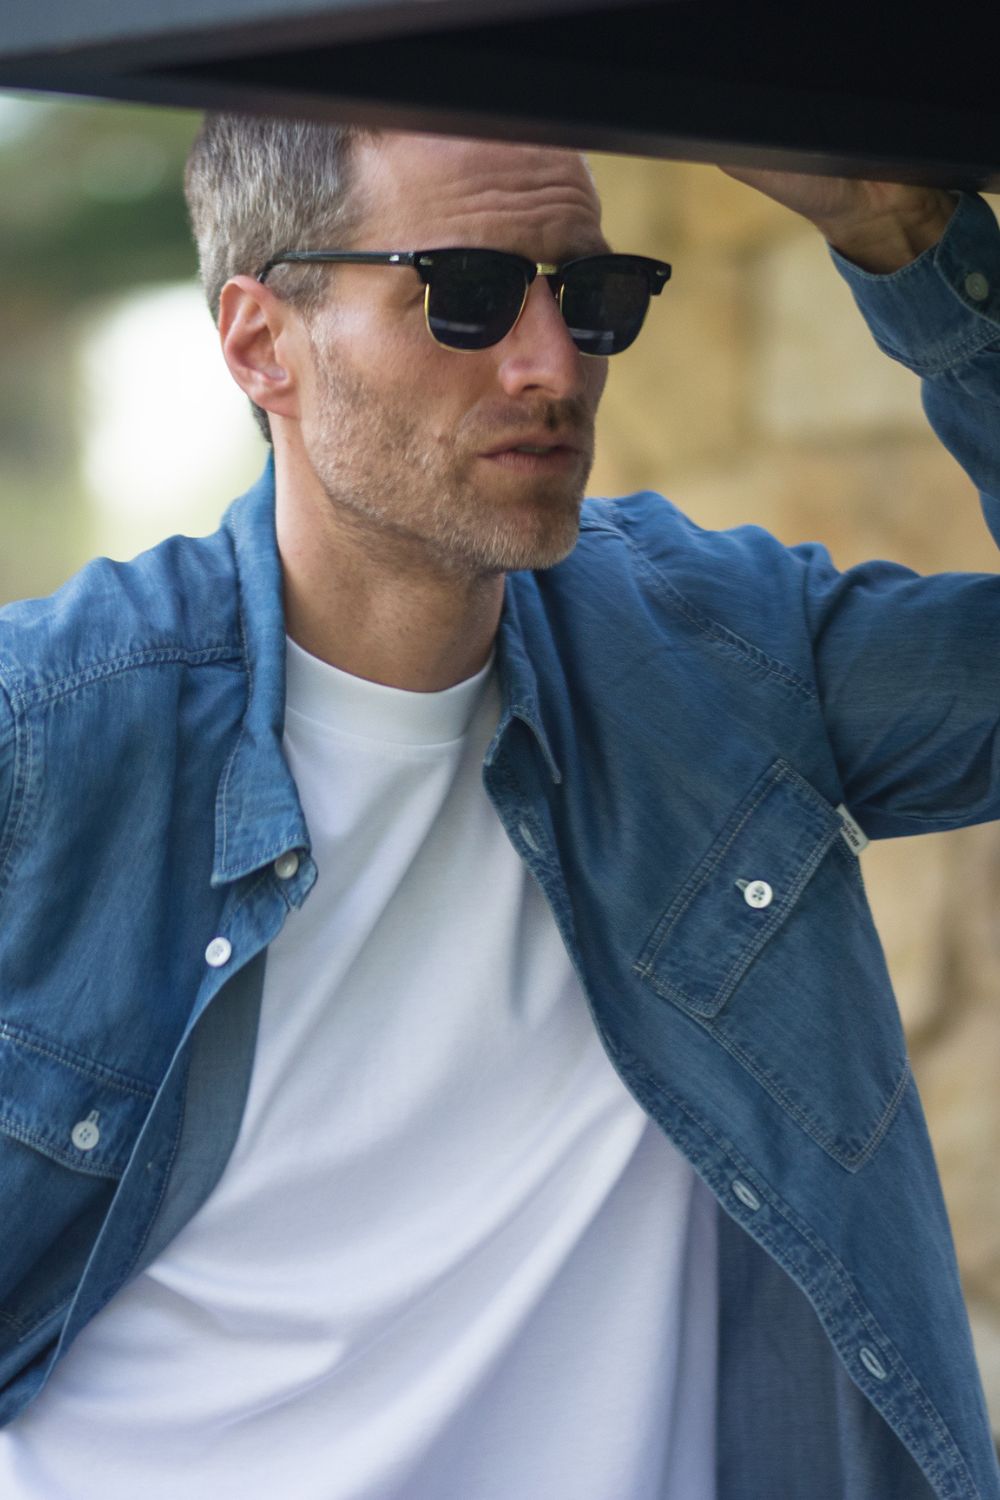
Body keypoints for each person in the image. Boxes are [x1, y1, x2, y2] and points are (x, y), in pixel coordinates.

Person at [0, 114, 998, 1500]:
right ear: (260, 344)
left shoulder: (720, 658)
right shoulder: (46, 736)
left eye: (592, 296)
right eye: (464, 295)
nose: (552, 366)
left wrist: (917, 246)